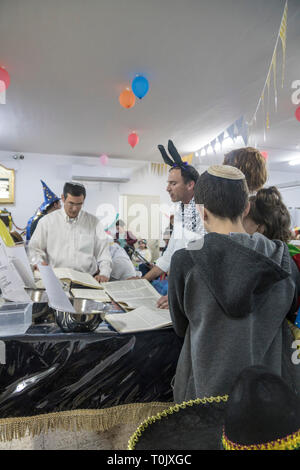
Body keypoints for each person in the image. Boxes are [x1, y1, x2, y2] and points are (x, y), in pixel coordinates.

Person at [168, 164, 300, 403]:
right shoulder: (284, 261)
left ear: (201, 212)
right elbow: (288, 314)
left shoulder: (186, 261)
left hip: (204, 392)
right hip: (270, 393)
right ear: (247, 207)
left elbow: (180, 326)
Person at [143, 140, 204, 309]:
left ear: (190, 185)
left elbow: (199, 262)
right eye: (168, 183)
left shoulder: (203, 213)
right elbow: (170, 253)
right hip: (180, 286)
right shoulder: (180, 209)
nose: (167, 188)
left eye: (173, 183)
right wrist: (143, 280)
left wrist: (180, 297)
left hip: (193, 293)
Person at [28, 182, 112, 283]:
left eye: (79, 204)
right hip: (57, 279)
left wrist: (104, 273)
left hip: (87, 280)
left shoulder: (94, 222)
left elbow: (104, 253)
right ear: (63, 198)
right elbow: (34, 248)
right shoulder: (47, 222)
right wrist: (39, 262)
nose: (75, 209)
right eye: (71, 203)